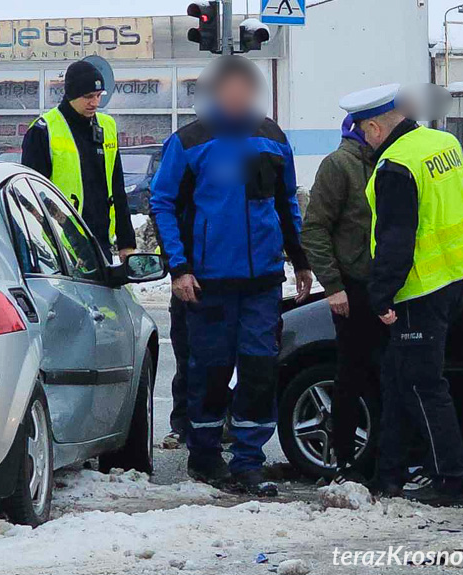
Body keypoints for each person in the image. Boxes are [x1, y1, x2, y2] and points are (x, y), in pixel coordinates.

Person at [151, 56, 312, 496]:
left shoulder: (272, 138)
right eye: (230, 88)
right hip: (207, 281)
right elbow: (162, 203)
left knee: (259, 369)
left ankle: (248, 461)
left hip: (261, 279)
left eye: (246, 88)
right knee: (210, 369)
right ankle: (204, 456)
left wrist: (300, 260)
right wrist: (179, 268)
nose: (239, 96)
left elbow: (287, 202)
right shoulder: (189, 141)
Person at [341, 84, 463, 507]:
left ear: (374, 126)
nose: (365, 141)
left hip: (419, 290)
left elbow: (395, 239)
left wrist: (381, 296)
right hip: (452, 282)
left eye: (364, 132)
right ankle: (388, 473)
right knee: (396, 379)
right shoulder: (442, 143)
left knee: (424, 385)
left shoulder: (395, 164)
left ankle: (450, 481)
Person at [301, 115, 382, 485]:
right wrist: (333, 285)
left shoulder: (388, 159)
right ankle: (345, 463)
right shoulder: (339, 165)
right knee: (352, 375)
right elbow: (315, 228)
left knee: (386, 376)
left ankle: (385, 462)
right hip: (354, 286)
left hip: (388, 287)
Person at [22, 60, 136, 262]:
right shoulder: (43, 130)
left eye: (99, 96)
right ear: (71, 95)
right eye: (88, 97)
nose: (95, 102)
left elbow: (117, 188)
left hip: (100, 242)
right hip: (59, 247)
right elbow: (30, 196)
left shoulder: (107, 126)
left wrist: (127, 243)